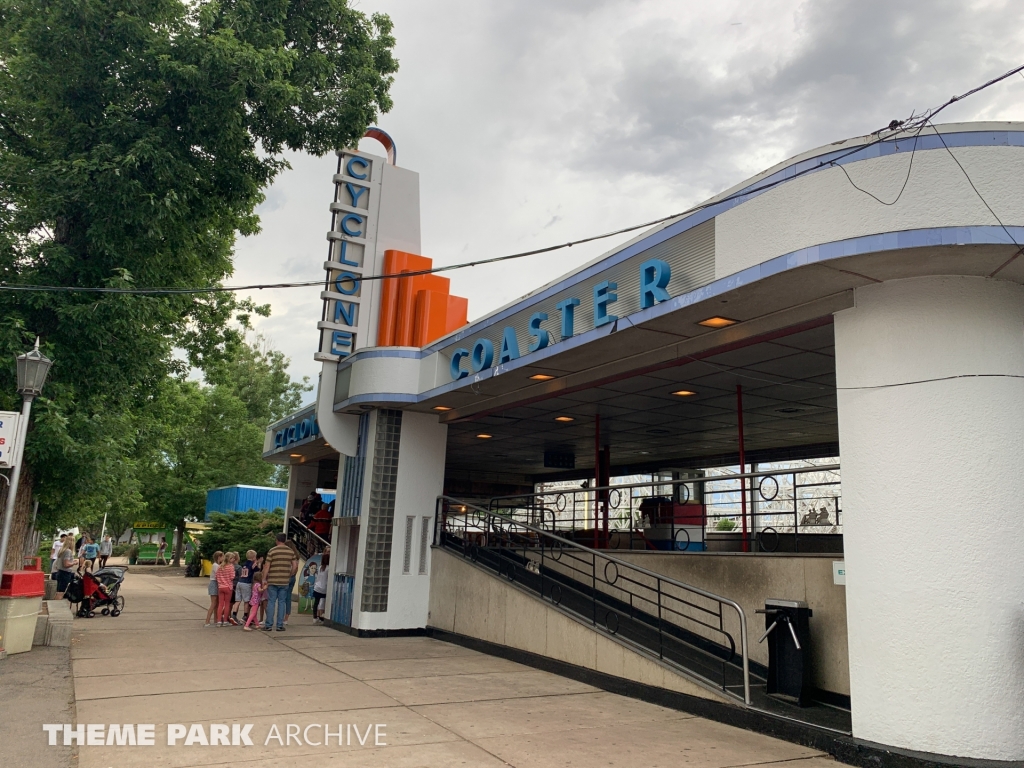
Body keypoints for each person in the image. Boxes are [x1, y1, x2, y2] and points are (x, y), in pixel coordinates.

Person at [263, 533, 297, 632]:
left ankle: (268, 625)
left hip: (273, 580)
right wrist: (290, 574)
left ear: (277, 540)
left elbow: (267, 566)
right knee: (282, 602)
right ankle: (279, 625)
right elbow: (294, 566)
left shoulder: (272, 551)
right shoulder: (290, 551)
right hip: (284, 581)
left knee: (271, 602)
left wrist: (264, 579)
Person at [233, 550, 256, 624]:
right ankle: (245, 616)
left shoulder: (244, 564)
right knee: (246, 601)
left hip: (240, 582)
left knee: (238, 600)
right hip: (246, 583)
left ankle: (234, 615)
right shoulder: (252, 564)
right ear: (253, 557)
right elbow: (256, 570)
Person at [216, 552, 237, 626]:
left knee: (220, 604)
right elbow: (232, 577)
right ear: (229, 559)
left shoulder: (220, 566)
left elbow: (217, 576)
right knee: (227, 604)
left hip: (221, 587)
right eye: (232, 558)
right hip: (228, 587)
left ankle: (218, 620)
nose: (234, 559)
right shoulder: (231, 566)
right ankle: (225, 621)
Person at [204, 551, 223, 627]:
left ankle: (216, 619)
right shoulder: (216, 566)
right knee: (213, 603)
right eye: (222, 556)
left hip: (216, 583)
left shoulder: (217, 565)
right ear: (219, 557)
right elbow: (218, 575)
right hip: (214, 583)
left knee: (217, 604)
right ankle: (207, 621)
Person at [283, 540, 300, 627]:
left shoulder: (287, 556)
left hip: (286, 577)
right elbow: (296, 567)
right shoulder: (296, 556)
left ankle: (282, 616)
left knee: (282, 597)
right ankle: (286, 617)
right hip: (293, 578)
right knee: (288, 597)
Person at [313, 546, 330, 623]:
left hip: (317, 587)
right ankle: (321, 616)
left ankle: (315, 617)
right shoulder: (329, 568)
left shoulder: (320, 567)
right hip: (324, 588)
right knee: (323, 602)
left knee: (316, 602)